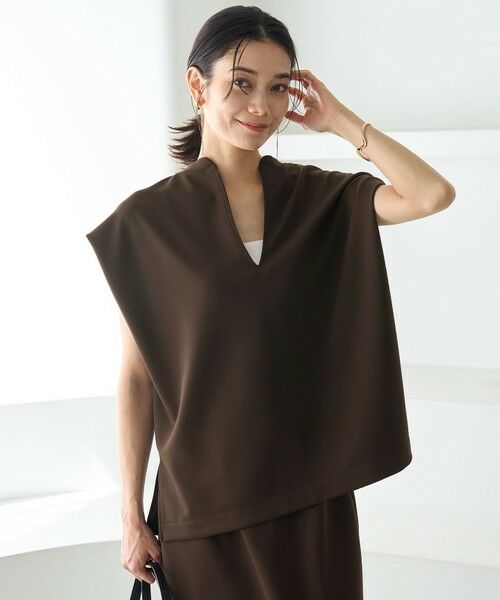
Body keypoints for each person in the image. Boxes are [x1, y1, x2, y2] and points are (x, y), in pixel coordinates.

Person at [94, 6, 455, 599]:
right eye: (242, 83)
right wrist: (131, 516)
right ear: (197, 86)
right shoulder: (145, 224)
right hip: (203, 511)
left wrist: (340, 120)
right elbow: (136, 378)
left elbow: (431, 194)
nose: (261, 106)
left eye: (279, 87)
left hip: (311, 495)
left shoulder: (317, 199)